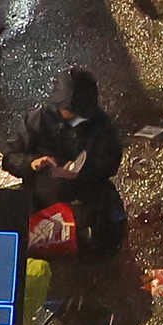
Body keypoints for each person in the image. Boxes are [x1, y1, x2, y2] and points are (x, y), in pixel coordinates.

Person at [19, 66, 127, 252]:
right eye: (67, 109)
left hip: (84, 191)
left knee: (108, 230)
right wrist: (32, 163)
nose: (70, 115)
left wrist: (80, 174)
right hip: (44, 191)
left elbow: (109, 165)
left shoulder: (101, 126)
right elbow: (12, 156)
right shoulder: (39, 119)